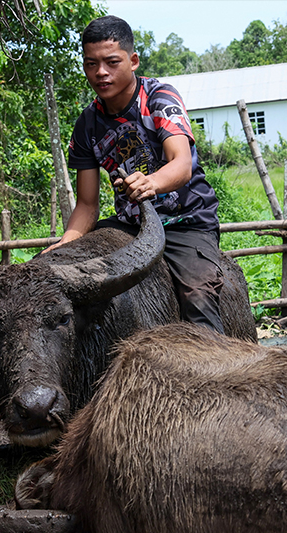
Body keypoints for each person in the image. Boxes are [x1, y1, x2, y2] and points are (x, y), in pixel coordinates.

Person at [47, 15, 226, 334]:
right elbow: (87, 205)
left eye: (111, 62)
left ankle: (218, 363)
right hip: (130, 225)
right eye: (91, 64)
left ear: (132, 61)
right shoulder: (87, 124)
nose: (101, 73)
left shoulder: (159, 98)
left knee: (198, 295)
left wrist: (151, 182)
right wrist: (66, 243)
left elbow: (181, 164)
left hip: (184, 221)